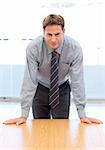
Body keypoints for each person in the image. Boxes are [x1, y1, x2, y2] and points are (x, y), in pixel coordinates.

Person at [3, 14, 102, 125]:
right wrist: (23, 115)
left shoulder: (74, 48)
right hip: (40, 89)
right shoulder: (34, 48)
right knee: (40, 129)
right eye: (49, 34)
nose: (53, 39)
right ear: (43, 33)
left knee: (61, 128)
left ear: (64, 31)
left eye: (57, 34)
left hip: (61, 89)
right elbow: (29, 80)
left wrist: (82, 114)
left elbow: (77, 81)